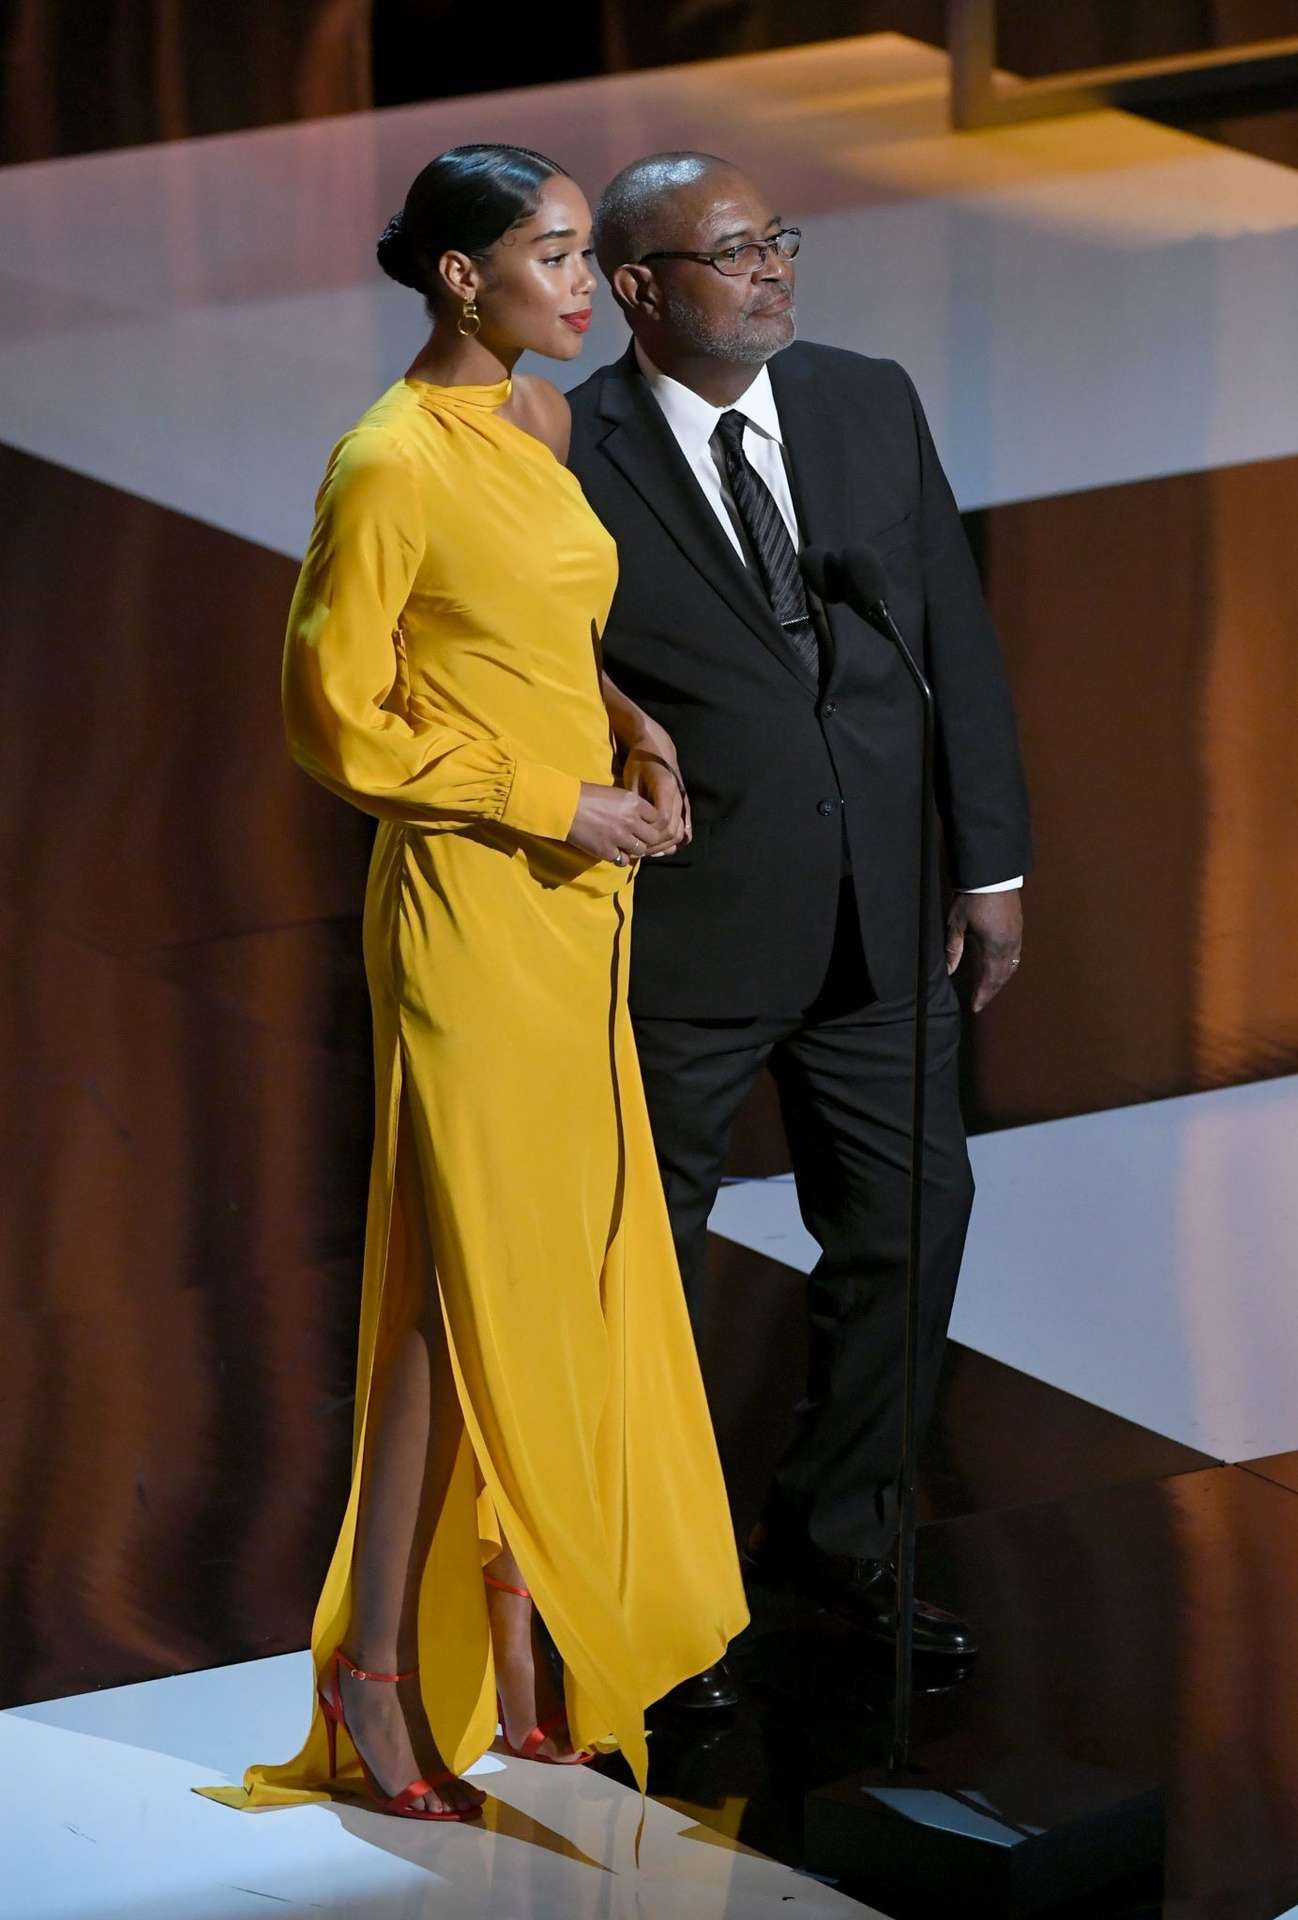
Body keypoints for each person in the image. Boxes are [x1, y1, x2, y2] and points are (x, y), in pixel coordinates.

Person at [199, 144, 747, 1822]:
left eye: (585, 255)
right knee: (454, 1295)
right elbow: (336, 715)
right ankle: (376, 1672)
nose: (588, 285)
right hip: (466, 907)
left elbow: (540, 636)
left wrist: (634, 732)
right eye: (557, 256)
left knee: (556, 1270)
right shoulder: (386, 460)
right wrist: (544, 797)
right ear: (461, 274)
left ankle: (518, 1642)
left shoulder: (540, 420)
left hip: (578, 907)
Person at [566, 152, 1031, 1708]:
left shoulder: (862, 397)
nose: (770, 269)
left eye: (778, 240)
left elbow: (949, 631)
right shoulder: (568, 449)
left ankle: (845, 1537)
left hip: (882, 914)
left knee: (910, 1224)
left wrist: (990, 863)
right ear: (637, 289)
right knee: (644, 1269)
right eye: (730, 251)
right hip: (684, 930)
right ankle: (652, 1590)